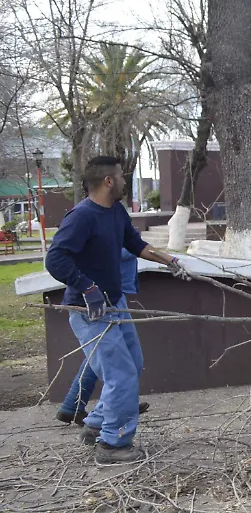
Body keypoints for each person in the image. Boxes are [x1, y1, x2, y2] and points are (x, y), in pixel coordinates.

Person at [45, 156, 189, 465]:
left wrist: (170, 261)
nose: (125, 181)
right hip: (89, 310)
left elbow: (135, 244)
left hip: (115, 303)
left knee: (132, 365)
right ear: (109, 181)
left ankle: (96, 423)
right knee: (120, 374)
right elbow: (55, 259)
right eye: (122, 177)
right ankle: (113, 444)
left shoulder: (116, 212)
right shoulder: (82, 217)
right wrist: (87, 287)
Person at [55, 249, 150, 425]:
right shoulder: (92, 223)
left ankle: (72, 406)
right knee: (115, 358)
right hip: (102, 297)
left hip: (111, 293)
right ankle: (111, 411)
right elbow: (111, 249)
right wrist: (140, 248)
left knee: (103, 354)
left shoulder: (112, 222)